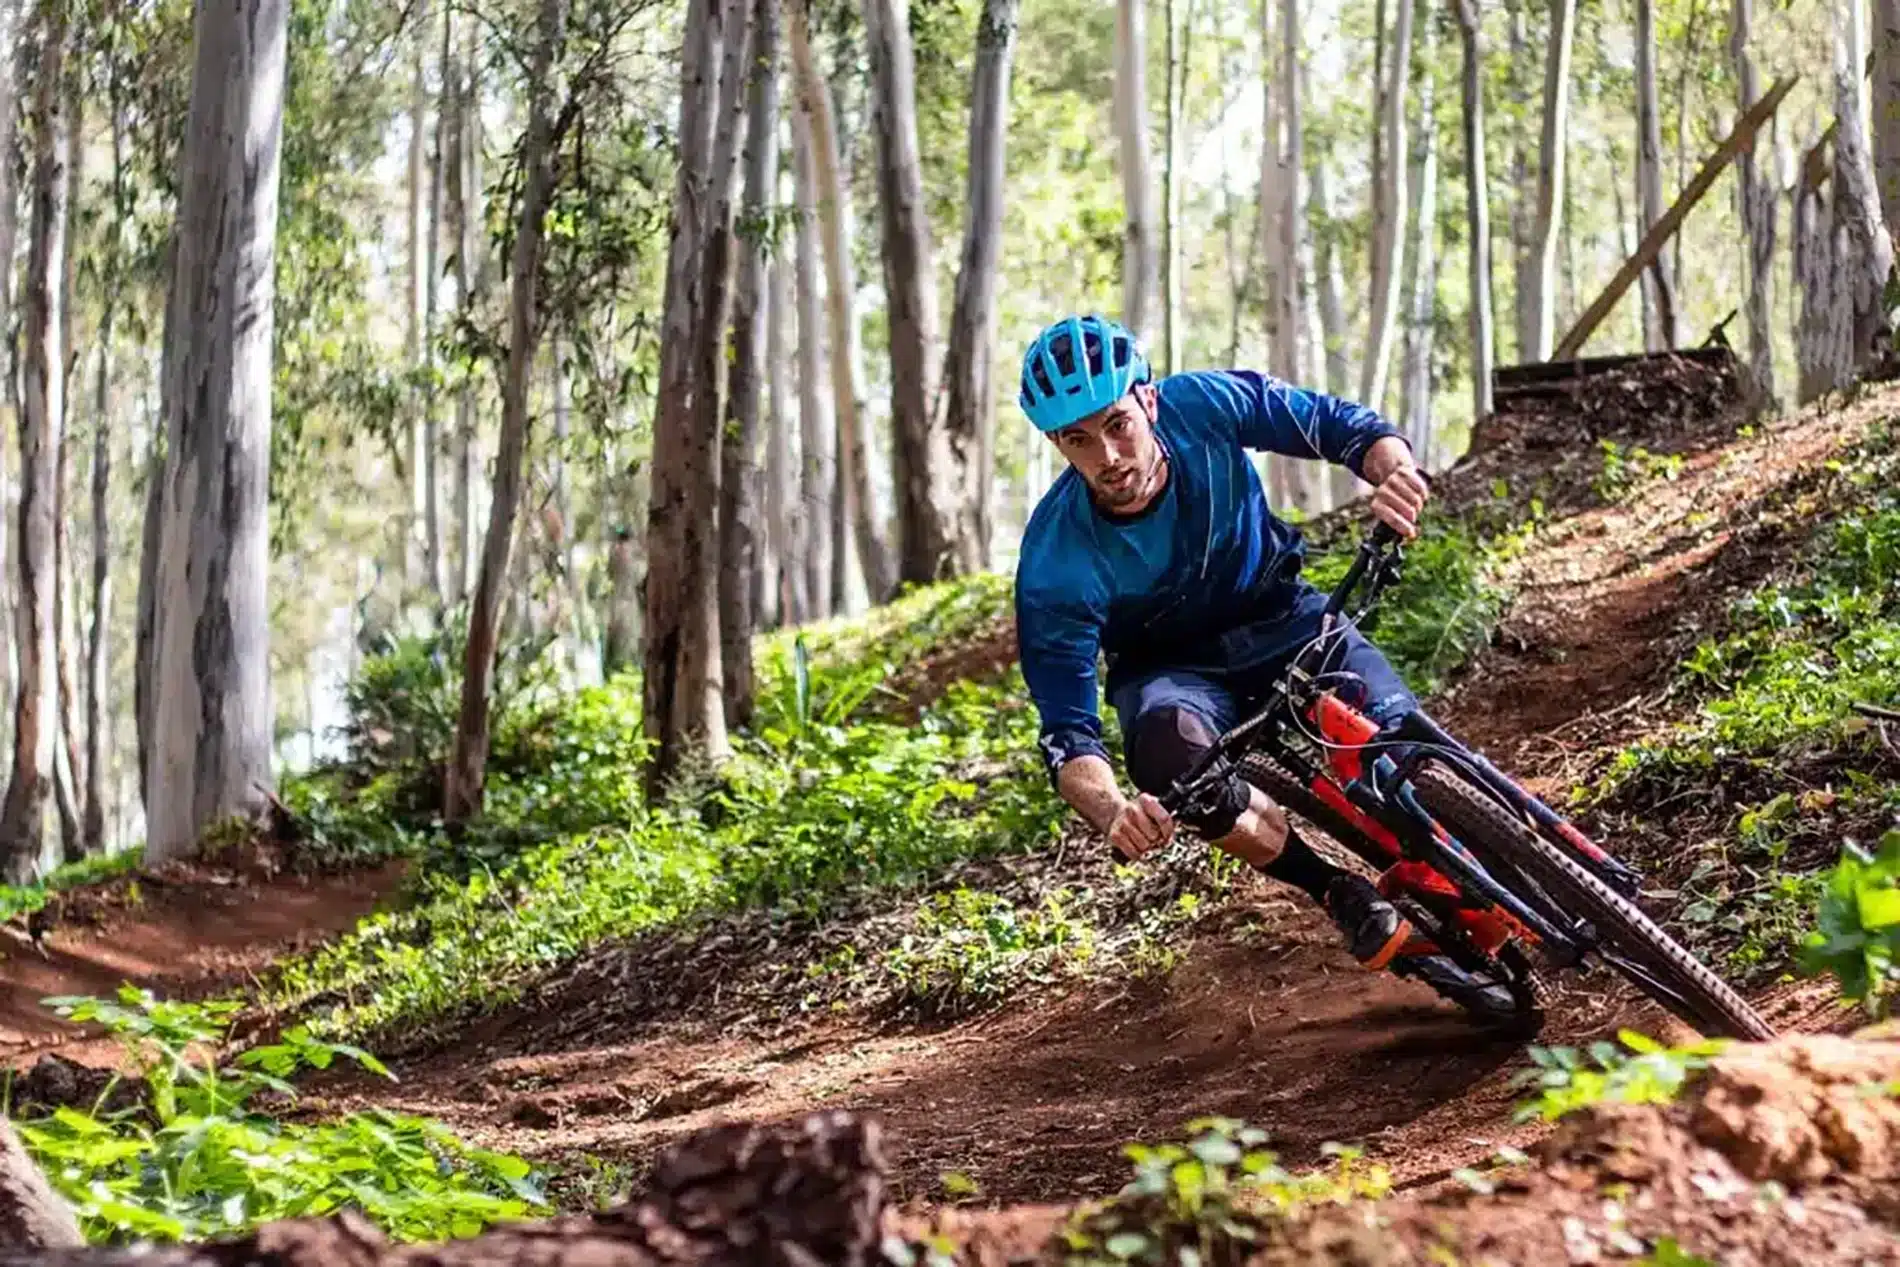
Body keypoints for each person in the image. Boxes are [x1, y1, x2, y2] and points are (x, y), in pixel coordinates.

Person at [1013, 313, 1514, 1022]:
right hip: (1172, 673)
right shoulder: (1054, 563)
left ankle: (1475, 857)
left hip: (1282, 616)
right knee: (1165, 751)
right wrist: (1114, 811)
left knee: (1397, 741)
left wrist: (1394, 469)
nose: (1109, 456)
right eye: (1077, 440)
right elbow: (1068, 736)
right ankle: (1334, 888)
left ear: (1148, 401)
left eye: (1117, 422)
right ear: (1056, 444)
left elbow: (1338, 425)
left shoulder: (1206, 405)